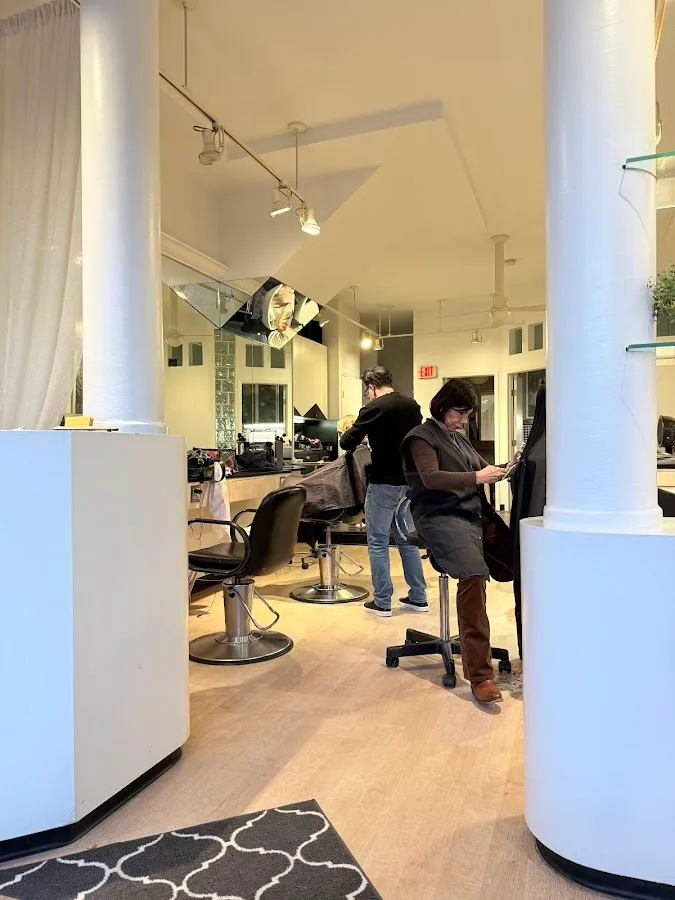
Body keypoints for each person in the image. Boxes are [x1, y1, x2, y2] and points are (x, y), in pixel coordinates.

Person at [401, 378, 508, 703]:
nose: (463, 421)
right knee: (474, 574)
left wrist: (507, 468)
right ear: (443, 406)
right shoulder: (420, 438)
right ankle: (481, 676)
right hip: (439, 518)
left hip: (471, 515)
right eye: (460, 413)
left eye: (467, 415)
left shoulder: (458, 439)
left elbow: (483, 468)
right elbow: (430, 477)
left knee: (521, 557)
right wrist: (478, 476)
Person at [340, 367, 428, 616]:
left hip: (383, 484)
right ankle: (418, 597)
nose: (368, 396)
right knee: (407, 540)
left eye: (367, 392)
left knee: (378, 542)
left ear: (371, 387)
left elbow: (346, 442)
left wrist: (365, 433)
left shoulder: (374, 408)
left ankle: (382, 601)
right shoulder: (412, 405)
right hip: (409, 484)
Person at [509, 380, 546, 660]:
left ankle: (531, 652)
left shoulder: (540, 446)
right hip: (538, 536)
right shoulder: (548, 446)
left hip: (532, 539)